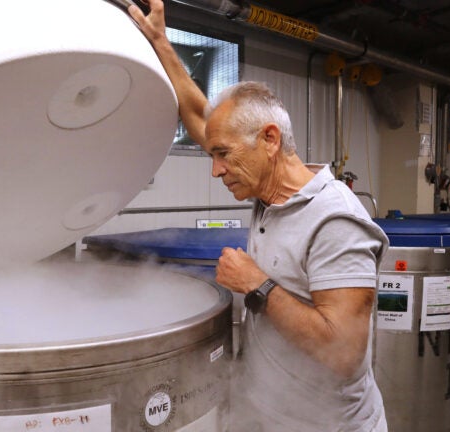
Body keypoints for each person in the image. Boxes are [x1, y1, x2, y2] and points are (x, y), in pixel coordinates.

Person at [128, 2, 390, 431]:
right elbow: (200, 116)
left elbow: (344, 354)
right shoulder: (269, 195)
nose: (215, 170)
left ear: (269, 139)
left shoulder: (335, 220)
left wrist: (258, 284)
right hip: (265, 417)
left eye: (223, 155)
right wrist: (160, 41)